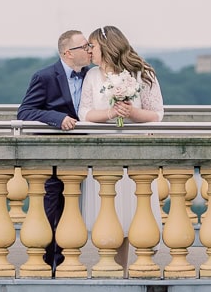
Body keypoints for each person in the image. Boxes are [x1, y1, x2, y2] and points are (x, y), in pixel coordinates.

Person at [77, 25, 164, 269]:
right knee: (109, 212)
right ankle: (113, 269)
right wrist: (109, 113)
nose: (88, 50)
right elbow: (83, 113)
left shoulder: (141, 73)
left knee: (134, 211)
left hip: (135, 153)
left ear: (106, 46)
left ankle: (139, 268)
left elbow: (158, 114)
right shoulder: (92, 76)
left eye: (91, 46)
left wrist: (133, 113)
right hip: (103, 152)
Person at [17, 29, 92, 273]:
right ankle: (50, 264)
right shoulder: (45, 76)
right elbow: (25, 112)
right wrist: (56, 118)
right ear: (68, 53)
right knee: (53, 209)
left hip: (91, 155)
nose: (90, 49)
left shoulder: (94, 76)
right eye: (85, 46)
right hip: (56, 159)